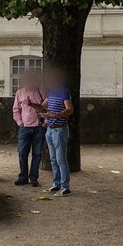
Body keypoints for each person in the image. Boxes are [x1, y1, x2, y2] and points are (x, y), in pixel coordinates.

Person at [35, 67, 74, 196]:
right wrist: (31, 104)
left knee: (60, 158)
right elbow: (42, 106)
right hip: (50, 130)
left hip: (59, 129)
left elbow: (69, 110)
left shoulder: (64, 92)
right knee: (53, 158)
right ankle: (56, 184)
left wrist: (55, 116)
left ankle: (65, 186)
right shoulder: (51, 93)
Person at [12, 69, 45, 187]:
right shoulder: (20, 93)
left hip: (38, 127)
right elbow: (16, 110)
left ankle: (33, 178)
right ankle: (23, 177)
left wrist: (43, 121)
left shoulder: (41, 92)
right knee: (22, 152)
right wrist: (20, 123)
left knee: (37, 153)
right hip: (24, 127)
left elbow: (45, 108)